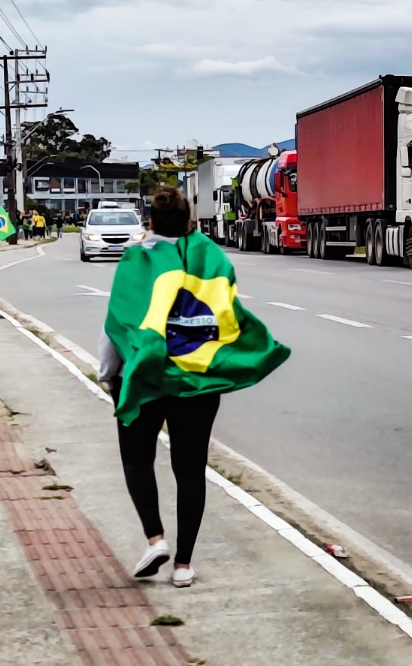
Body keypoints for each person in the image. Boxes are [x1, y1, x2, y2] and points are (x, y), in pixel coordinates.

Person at [98, 187, 289, 588]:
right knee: (190, 467)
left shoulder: (137, 258)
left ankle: (155, 538)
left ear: (149, 221)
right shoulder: (212, 256)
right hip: (199, 377)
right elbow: (226, 313)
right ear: (190, 220)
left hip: (148, 375)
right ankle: (183, 565)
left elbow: (119, 320)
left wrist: (110, 374)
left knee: (137, 458)